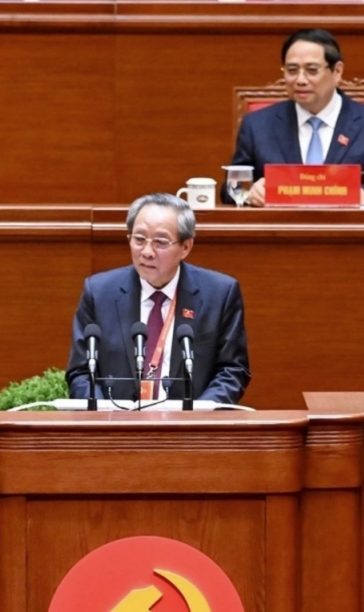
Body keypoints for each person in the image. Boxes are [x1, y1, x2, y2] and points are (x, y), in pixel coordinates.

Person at [65, 194, 250, 405]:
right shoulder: (99, 292)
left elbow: (232, 370)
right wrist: (105, 414)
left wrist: (198, 415)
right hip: (115, 428)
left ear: (186, 247)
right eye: (139, 239)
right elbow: (80, 372)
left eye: (160, 242)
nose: (146, 252)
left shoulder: (219, 294)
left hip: (190, 429)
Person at [224, 28, 364, 206]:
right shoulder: (258, 125)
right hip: (279, 230)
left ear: (337, 72)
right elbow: (230, 189)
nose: (300, 80)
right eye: (292, 70)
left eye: (312, 70)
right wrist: (248, 193)